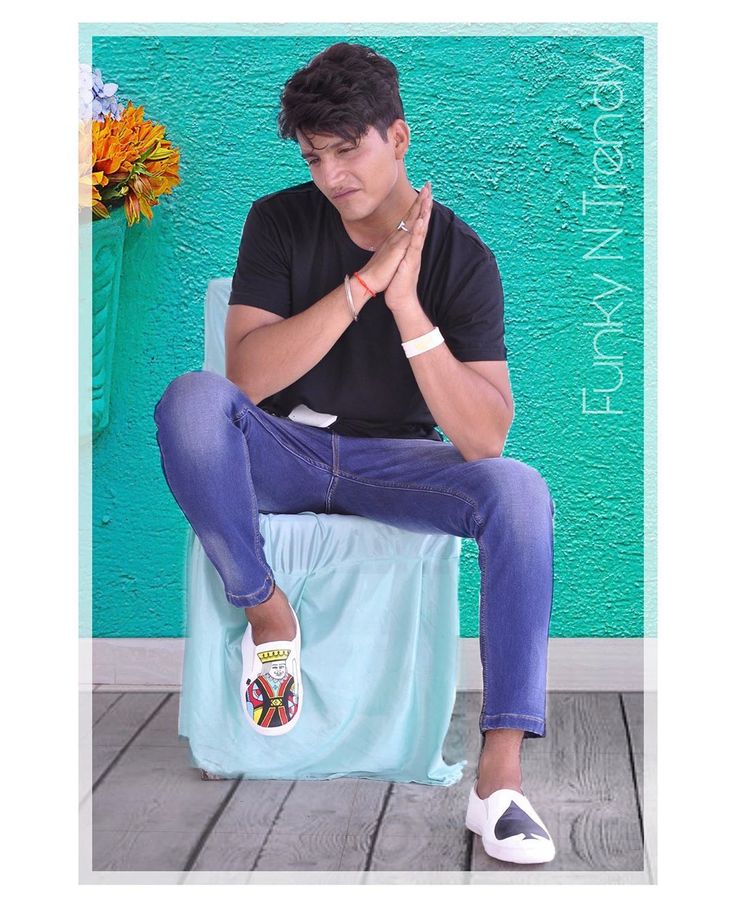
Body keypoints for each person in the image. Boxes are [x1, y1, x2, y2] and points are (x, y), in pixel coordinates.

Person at [153, 41, 556, 864]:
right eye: (314, 156)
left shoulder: (464, 258)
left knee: (519, 492)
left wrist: (407, 307)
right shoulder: (279, 219)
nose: (332, 175)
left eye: (349, 150)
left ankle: (500, 782)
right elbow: (248, 377)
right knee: (191, 401)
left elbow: (483, 437)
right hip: (286, 448)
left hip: (397, 466)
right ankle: (267, 608)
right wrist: (361, 285)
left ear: (398, 138)